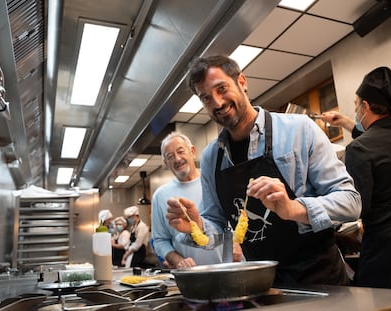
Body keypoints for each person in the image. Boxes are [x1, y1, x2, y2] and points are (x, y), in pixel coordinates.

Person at [166, 55, 361, 286]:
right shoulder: (211, 158)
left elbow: (351, 202)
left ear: (242, 82)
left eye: (222, 89)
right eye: (206, 98)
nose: (217, 103)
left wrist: (294, 208)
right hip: (262, 281)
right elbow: (216, 224)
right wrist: (198, 226)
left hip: (319, 277)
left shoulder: (300, 130)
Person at [326, 67, 391, 289]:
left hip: (386, 251)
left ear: (366, 106)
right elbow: (380, 138)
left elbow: (358, 206)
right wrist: (346, 122)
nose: (356, 111)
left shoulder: (359, 149)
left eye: (357, 104)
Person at [151, 132, 242, 268]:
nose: (177, 159)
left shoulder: (216, 181)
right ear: (165, 163)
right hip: (192, 275)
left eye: (180, 151)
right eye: (170, 156)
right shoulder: (160, 196)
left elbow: (236, 218)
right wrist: (178, 261)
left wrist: (237, 243)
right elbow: (160, 240)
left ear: (192, 151)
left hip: (228, 268)